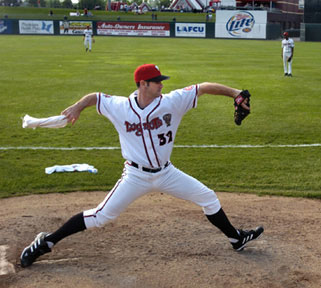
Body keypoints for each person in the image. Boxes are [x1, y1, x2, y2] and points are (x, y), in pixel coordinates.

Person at [19, 64, 264, 268]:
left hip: (167, 173)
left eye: (161, 80)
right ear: (142, 84)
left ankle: (236, 239)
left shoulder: (172, 101)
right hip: (135, 176)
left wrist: (235, 93)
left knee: (208, 198)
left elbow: (203, 87)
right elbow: (95, 97)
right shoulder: (120, 106)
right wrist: (77, 106)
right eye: (156, 81)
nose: (162, 84)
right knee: (100, 217)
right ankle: (46, 242)